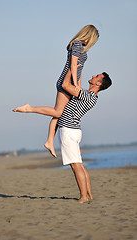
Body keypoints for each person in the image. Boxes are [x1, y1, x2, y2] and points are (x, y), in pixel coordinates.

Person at [13, 25, 99, 158]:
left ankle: (49, 141)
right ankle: (29, 108)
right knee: (58, 111)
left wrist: (79, 86)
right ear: (88, 35)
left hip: (72, 84)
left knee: (60, 112)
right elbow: (73, 64)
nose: (91, 43)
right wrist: (75, 84)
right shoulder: (76, 44)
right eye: (92, 40)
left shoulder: (79, 46)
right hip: (66, 83)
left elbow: (80, 69)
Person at [57, 72, 112, 203]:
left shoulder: (88, 96)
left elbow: (65, 85)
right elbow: (76, 85)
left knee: (76, 166)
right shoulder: (91, 96)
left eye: (96, 76)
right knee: (79, 165)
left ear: (98, 83)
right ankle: (88, 194)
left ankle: (83, 196)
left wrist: (72, 68)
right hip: (73, 130)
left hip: (69, 130)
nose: (93, 75)